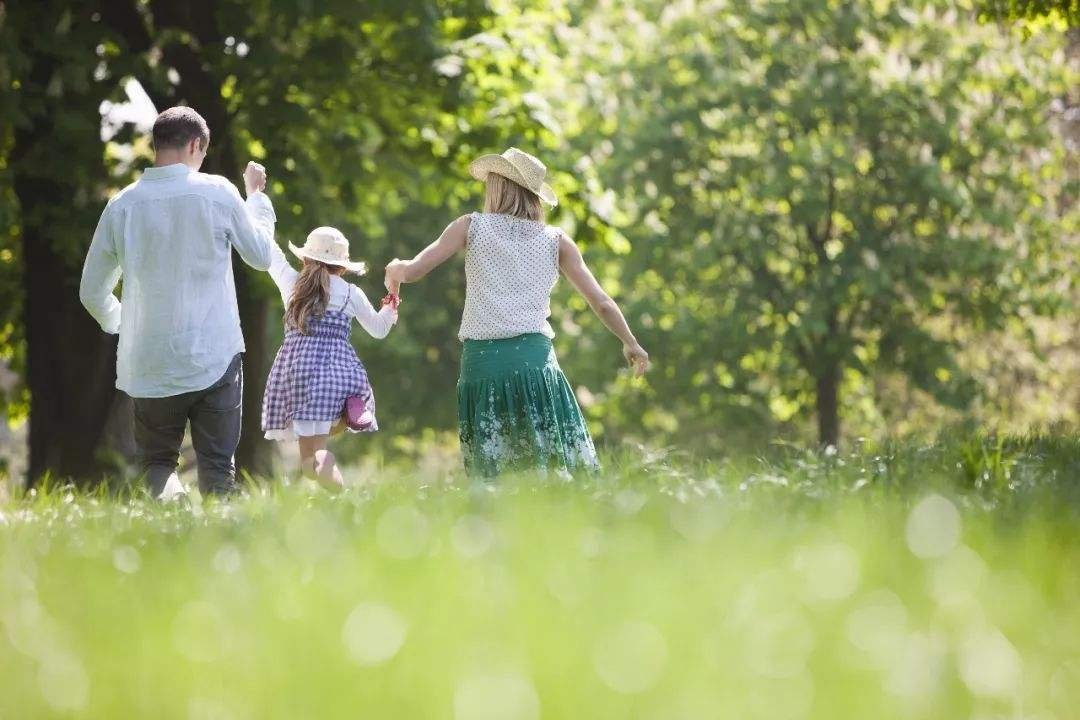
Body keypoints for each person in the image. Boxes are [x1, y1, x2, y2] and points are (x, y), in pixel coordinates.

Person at [384, 147, 649, 478]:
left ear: (498, 186)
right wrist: (630, 342)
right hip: (535, 364)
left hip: (483, 364)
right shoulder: (557, 241)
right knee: (551, 466)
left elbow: (413, 271)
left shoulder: (470, 226)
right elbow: (602, 301)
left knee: (496, 475)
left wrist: (395, 271)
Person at [79, 106, 276, 499]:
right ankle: (217, 549)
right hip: (213, 355)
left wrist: (123, 323)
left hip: (148, 360)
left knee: (157, 464)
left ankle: (169, 529)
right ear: (195, 145)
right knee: (219, 465)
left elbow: (91, 292)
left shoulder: (122, 205)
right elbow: (260, 255)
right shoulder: (218, 192)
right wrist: (256, 198)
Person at [261, 227, 397, 490]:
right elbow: (379, 330)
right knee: (315, 458)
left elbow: (271, 252)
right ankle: (346, 420)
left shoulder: (292, 284)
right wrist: (392, 301)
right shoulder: (350, 293)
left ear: (305, 259)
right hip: (336, 378)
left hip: (297, 376)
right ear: (342, 268)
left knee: (309, 463)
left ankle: (338, 490)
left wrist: (256, 201)